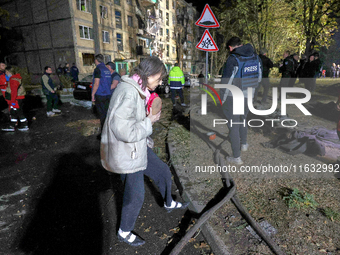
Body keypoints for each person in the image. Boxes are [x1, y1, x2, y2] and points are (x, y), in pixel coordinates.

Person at [101, 56, 189, 247]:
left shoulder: (138, 89)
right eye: (158, 79)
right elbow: (123, 130)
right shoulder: (128, 93)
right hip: (127, 152)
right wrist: (149, 122)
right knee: (135, 195)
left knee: (162, 171)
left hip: (138, 146)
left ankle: (168, 202)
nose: (159, 83)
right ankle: (123, 232)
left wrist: (148, 116)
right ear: (149, 74)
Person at [220, 37, 262, 165]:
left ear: (230, 48)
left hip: (234, 96)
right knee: (243, 119)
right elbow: (259, 77)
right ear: (241, 44)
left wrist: (222, 98)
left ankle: (236, 157)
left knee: (233, 125)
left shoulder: (233, 59)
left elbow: (226, 81)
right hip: (249, 94)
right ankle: (244, 144)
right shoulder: (255, 57)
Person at [2, 66, 28, 131]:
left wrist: (13, 101)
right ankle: (12, 125)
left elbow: (14, 91)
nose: (6, 74)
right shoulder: (15, 78)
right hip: (17, 98)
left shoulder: (13, 80)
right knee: (13, 112)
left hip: (16, 99)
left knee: (18, 112)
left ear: (8, 72)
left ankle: (24, 125)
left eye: (6, 72)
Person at [91, 54, 112, 131]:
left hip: (100, 94)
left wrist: (93, 94)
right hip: (108, 94)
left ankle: (104, 132)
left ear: (96, 60)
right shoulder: (107, 70)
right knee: (106, 113)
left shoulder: (97, 69)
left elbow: (96, 83)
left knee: (102, 114)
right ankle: (108, 130)